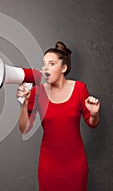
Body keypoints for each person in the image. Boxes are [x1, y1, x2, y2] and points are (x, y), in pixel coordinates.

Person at [16, 41, 100, 191]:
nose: (45, 68)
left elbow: (92, 123)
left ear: (64, 68)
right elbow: (24, 129)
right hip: (49, 167)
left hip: (76, 166)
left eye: (51, 64)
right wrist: (25, 103)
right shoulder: (37, 92)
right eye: (43, 64)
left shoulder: (80, 88)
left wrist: (93, 114)